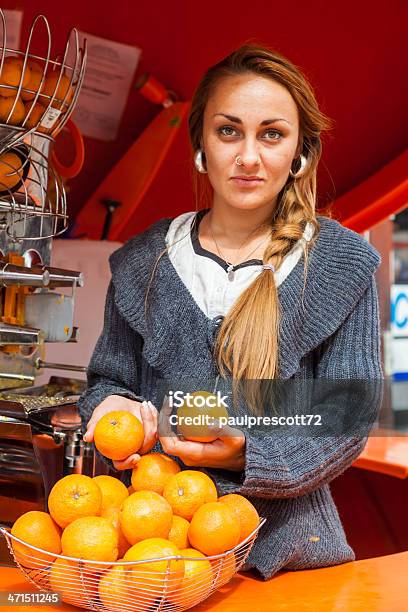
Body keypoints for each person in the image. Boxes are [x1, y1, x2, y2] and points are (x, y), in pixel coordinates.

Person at [77, 43, 383, 580]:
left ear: (300, 151)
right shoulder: (143, 261)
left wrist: (244, 454)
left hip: (291, 558)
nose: (248, 156)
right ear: (200, 144)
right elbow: (108, 382)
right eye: (228, 131)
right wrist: (107, 411)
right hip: (155, 547)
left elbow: (347, 416)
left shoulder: (342, 262)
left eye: (272, 134)